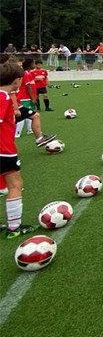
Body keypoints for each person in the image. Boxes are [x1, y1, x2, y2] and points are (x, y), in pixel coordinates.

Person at [0, 62, 39, 238]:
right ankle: (14, 228)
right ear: (16, 80)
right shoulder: (3, 97)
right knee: (15, 185)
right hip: (4, 149)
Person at [4, 56, 55, 148]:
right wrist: (16, 108)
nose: (21, 67)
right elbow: (11, 93)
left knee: (34, 116)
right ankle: (37, 138)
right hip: (11, 105)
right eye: (19, 65)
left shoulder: (16, 75)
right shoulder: (11, 78)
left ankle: (37, 137)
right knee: (7, 128)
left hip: (14, 103)